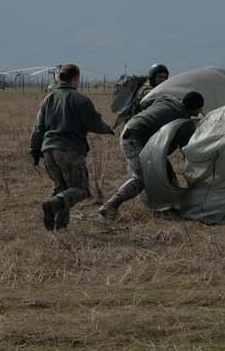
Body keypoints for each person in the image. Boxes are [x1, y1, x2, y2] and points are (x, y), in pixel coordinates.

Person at [29, 63, 114, 230]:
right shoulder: (80, 99)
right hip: (69, 150)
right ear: (76, 78)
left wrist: (34, 150)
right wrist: (108, 129)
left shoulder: (48, 99)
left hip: (48, 152)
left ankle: (60, 226)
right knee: (80, 189)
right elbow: (94, 122)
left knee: (62, 188)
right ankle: (53, 205)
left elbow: (38, 127)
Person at [98, 90, 205, 220]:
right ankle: (110, 205)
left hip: (131, 130)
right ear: (194, 108)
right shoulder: (184, 123)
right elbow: (187, 150)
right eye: (199, 109)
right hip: (134, 139)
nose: (200, 112)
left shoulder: (167, 97)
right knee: (143, 177)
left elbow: (144, 103)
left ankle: (168, 206)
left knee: (165, 170)